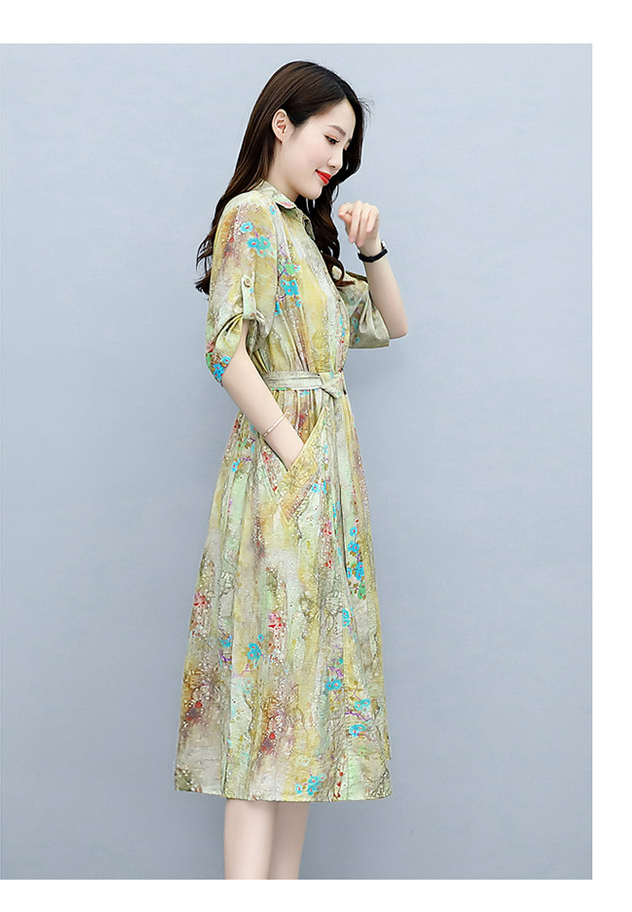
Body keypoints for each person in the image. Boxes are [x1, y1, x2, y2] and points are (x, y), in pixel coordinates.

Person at [174, 60, 408, 880]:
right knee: (265, 702)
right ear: (283, 124)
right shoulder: (251, 216)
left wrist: (371, 247)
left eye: (347, 150)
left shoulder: (307, 234)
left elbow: (391, 323)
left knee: (305, 706)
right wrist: (296, 453)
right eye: (330, 138)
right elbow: (224, 348)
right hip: (286, 476)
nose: (337, 161)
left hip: (328, 485)